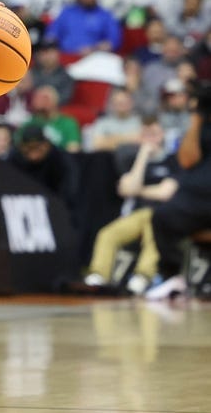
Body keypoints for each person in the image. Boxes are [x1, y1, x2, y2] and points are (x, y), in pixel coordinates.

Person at [80, 117, 177, 295]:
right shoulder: (131, 158)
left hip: (162, 214)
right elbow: (127, 189)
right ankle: (99, 276)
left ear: (162, 135)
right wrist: (143, 155)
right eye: (145, 135)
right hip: (136, 214)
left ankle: (143, 276)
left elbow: (166, 192)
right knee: (107, 234)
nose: (150, 139)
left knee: (152, 230)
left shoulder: (172, 161)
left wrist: (138, 189)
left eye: (154, 134)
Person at [147, 85, 211, 299]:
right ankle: (171, 276)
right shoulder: (202, 124)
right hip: (197, 200)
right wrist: (197, 118)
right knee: (162, 217)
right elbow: (186, 160)